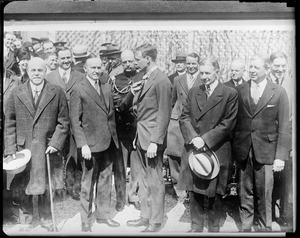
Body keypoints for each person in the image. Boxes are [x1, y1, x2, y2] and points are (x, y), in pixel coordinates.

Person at [4, 57, 69, 229]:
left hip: (46, 147)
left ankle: (46, 218)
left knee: (45, 184)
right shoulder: (16, 93)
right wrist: (10, 148)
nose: (37, 74)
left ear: (45, 71)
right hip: (23, 148)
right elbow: (9, 123)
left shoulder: (56, 92)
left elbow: (64, 122)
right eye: (33, 70)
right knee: (24, 182)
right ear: (27, 72)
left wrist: (56, 143)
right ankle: (26, 217)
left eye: (40, 70)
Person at [178, 57, 238, 232]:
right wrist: (193, 137)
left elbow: (228, 123)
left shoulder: (229, 93)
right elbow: (184, 117)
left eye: (207, 73)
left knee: (215, 194)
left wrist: (204, 140)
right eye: (201, 73)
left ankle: (213, 229)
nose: (203, 77)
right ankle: (195, 227)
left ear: (217, 71)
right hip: (194, 147)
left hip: (216, 148)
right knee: (194, 191)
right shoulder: (194, 91)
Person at [232, 54, 289, 232]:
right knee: (244, 192)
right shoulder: (240, 89)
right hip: (244, 149)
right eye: (251, 67)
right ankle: (246, 227)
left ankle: (265, 229)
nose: (252, 70)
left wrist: (280, 156)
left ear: (266, 69)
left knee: (265, 194)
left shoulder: (278, 91)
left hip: (267, 151)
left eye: (256, 68)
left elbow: (284, 127)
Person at [69, 55, 120, 232]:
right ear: (86, 69)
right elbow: (75, 121)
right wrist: (83, 145)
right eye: (93, 68)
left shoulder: (105, 87)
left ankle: (103, 215)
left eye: (99, 67)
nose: (97, 71)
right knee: (87, 183)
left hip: (108, 142)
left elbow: (110, 115)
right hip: (89, 146)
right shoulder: (79, 89)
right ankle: (85, 220)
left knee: (106, 180)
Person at [126, 43, 172, 232]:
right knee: (142, 180)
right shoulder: (144, 77)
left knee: (154, 180)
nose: (136, 63)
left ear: (148, 58)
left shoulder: (162, 81)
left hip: (152, 139)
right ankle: (145, 216)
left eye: (138, 59)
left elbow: (164, 113)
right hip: (140, 136)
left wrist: (155, 141)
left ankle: (155, 221)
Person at [45, 47, 85, 201]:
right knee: (56, 156)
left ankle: (73, 188)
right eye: (63, 58)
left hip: (75, 122)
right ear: (57, 59)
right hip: (57, 123)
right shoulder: (49, 77)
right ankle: (57, 190)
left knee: (74, 156)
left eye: (69, 58)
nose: (66, 61)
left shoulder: (80, 76)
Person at [109, 49, 144, 211]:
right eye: (125, 62)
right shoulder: (116, 80)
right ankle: (120, 197)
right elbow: (119, 105)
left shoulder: (143, 76)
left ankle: (134, 195)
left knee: (137, 165)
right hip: (122, 127)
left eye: (130, 61)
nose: (128, 64)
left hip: (138, 128)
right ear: (121, 63)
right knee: (120, 165)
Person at [165, 52, 202, 200]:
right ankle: (178, 186)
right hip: (177, 122)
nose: (191, 66)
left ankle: (191, 189)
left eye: (194, 63)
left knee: (192, 156)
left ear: (198, 64)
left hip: (194, 123)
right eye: (189, 63)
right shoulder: (178, 80)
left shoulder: (203, 78)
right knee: (175, 155)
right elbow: (172, 101)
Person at [268, 51, 293, 227]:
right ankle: (268, 215)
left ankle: (284, 215)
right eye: (277, 66)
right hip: (268, 139)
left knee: (286, 179)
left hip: (287, 138)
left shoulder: (291, 84)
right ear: (270, 66)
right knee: (269, 180)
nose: (280, 69)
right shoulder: (264, 83)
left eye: (283, 66)